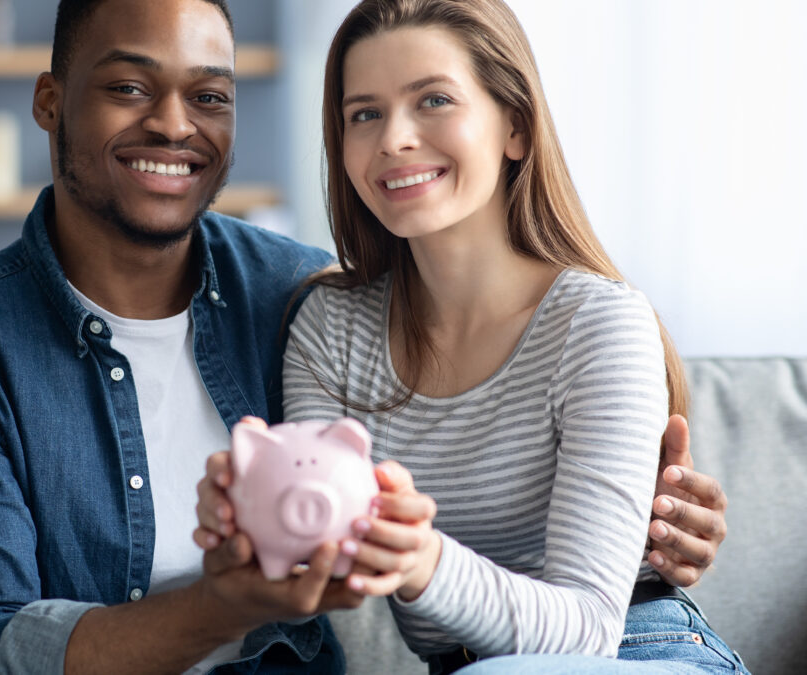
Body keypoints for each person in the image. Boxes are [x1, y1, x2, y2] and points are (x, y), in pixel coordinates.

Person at [0, 0, 729, 672]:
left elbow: (578, 614)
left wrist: (650, 529)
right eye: (129, 87)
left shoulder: (292, 292)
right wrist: (249, 574)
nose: (175, 124)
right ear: (51, 102)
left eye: (209, 96)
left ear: (514, 124)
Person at [194, 0, 747, 672]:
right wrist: (256, 520)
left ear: (515, 126)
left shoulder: (599, 322)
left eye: (432, 99)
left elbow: (589, 628)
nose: (393, 137)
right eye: (363, 113)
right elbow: (324, 551)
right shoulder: (329, 328)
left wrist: (422, 557)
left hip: (639, 649)